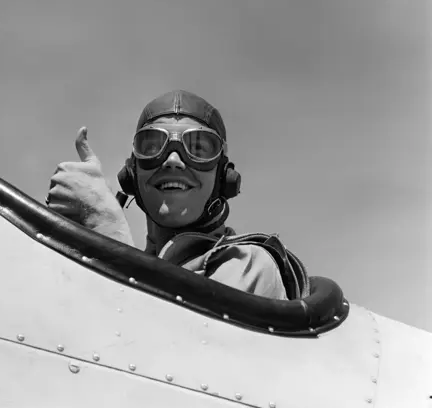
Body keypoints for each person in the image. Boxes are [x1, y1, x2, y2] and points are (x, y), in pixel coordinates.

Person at [46, 90, 309, 300]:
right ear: (131, 174)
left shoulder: (250, 265)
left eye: (198, 147)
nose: (173, 160)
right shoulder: (127, 266)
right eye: (152, 145)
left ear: (223, 177)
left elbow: (170, 350)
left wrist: (107, 234)